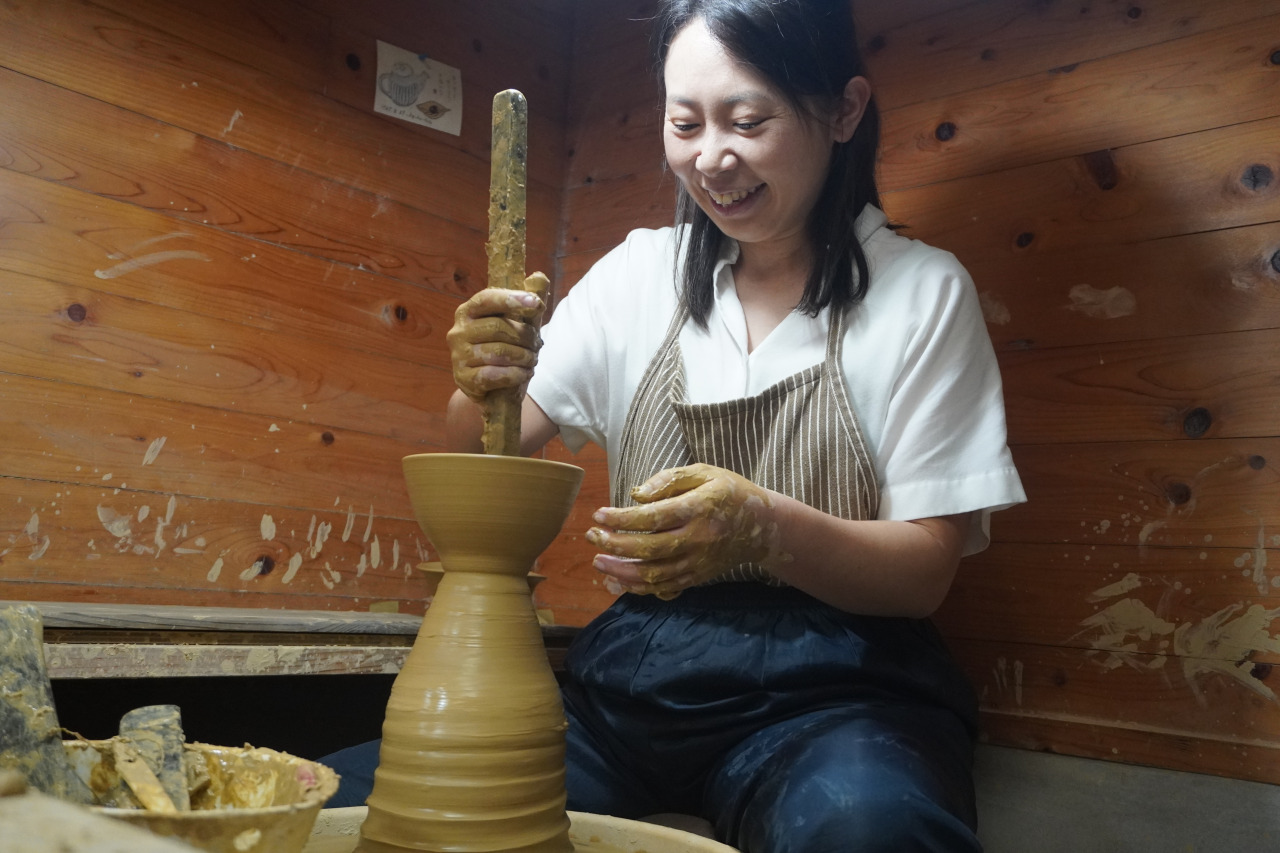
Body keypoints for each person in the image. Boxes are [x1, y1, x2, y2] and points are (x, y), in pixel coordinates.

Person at [324, 1, 1026, 850]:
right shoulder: (639, 274)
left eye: (748, 120)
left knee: (870, 824)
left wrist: (759, 528)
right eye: (684, 122)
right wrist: (482, 380)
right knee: (364, 801)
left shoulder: (920, 292)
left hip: (841, 690)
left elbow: (923, 573)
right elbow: (482, 451)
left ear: (843, 111)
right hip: (639, 682)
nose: (710, 157)